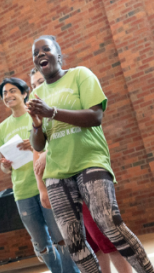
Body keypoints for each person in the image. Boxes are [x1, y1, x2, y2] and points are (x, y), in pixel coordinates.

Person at [28, 35, 154, 273]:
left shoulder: (80, 75)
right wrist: (36, 124)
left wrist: (52, 111)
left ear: (59, 55)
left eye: (46, 49)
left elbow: (95, 116)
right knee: (74, 241)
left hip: (90, 161)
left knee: (110, 224)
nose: (40, 54)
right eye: (36, 53)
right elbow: (38, 144)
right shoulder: (36, 95)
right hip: (57, 171)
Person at [31, 68, 129, 273]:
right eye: (34, 86)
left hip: (84, 170)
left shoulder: (69, 95)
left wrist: (46, 154)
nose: (38, 88)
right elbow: (40, 145)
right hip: (62, 180)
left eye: (40, 82)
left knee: (106, 236)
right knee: (92, 243)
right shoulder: (37, 114)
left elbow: (83, 127)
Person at [0, 77, 79, 273]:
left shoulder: (37, 115)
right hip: (22, 192)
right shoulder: (1, 129)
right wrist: (5, 165)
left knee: (61, 239)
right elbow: (5, 168)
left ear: (25, 93)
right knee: (41, 244)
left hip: (48, 184)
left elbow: (53, 146)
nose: (8, 95)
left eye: (12, 90)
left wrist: (34, 142)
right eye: (4, 93)